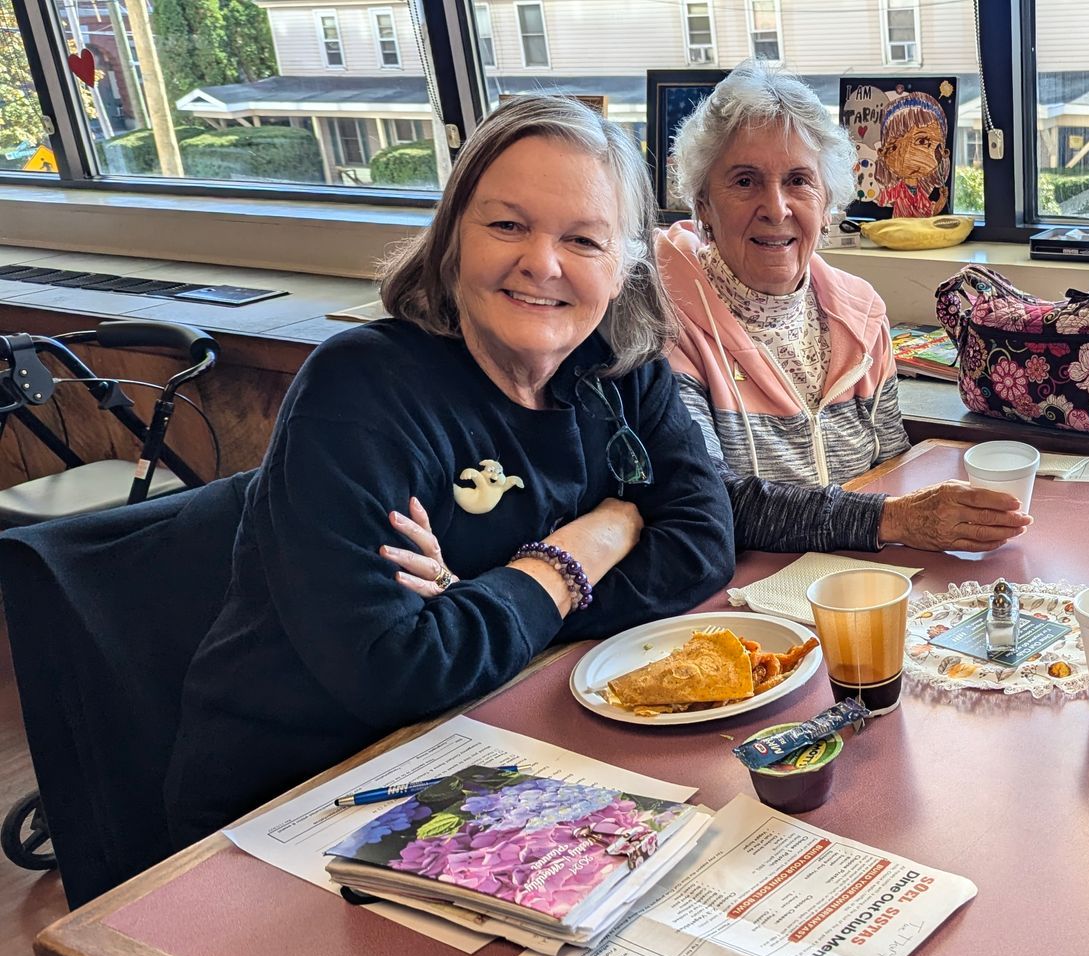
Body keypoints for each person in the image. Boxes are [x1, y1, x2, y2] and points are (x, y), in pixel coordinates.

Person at [166, 95, 735, 841]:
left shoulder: (621, 369)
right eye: (507, 225)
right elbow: (397, 672)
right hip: (304, 796)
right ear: (453, 234)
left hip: (504, 738)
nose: (543, 263)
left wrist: (482, 608)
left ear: (625, 263)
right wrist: (582, 551)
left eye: (585, 240)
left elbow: (702, 542)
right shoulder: (360, 389)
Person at [656, 62, 1027, 554]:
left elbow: (892, 468)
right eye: (745, 181)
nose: (776, 207)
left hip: (861, 586)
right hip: (740, 604)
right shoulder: (662, 323)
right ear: (702, 203)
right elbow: (711, 501)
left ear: (828, 201)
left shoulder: (861, 313)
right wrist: (892, 520)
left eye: (798, 181)